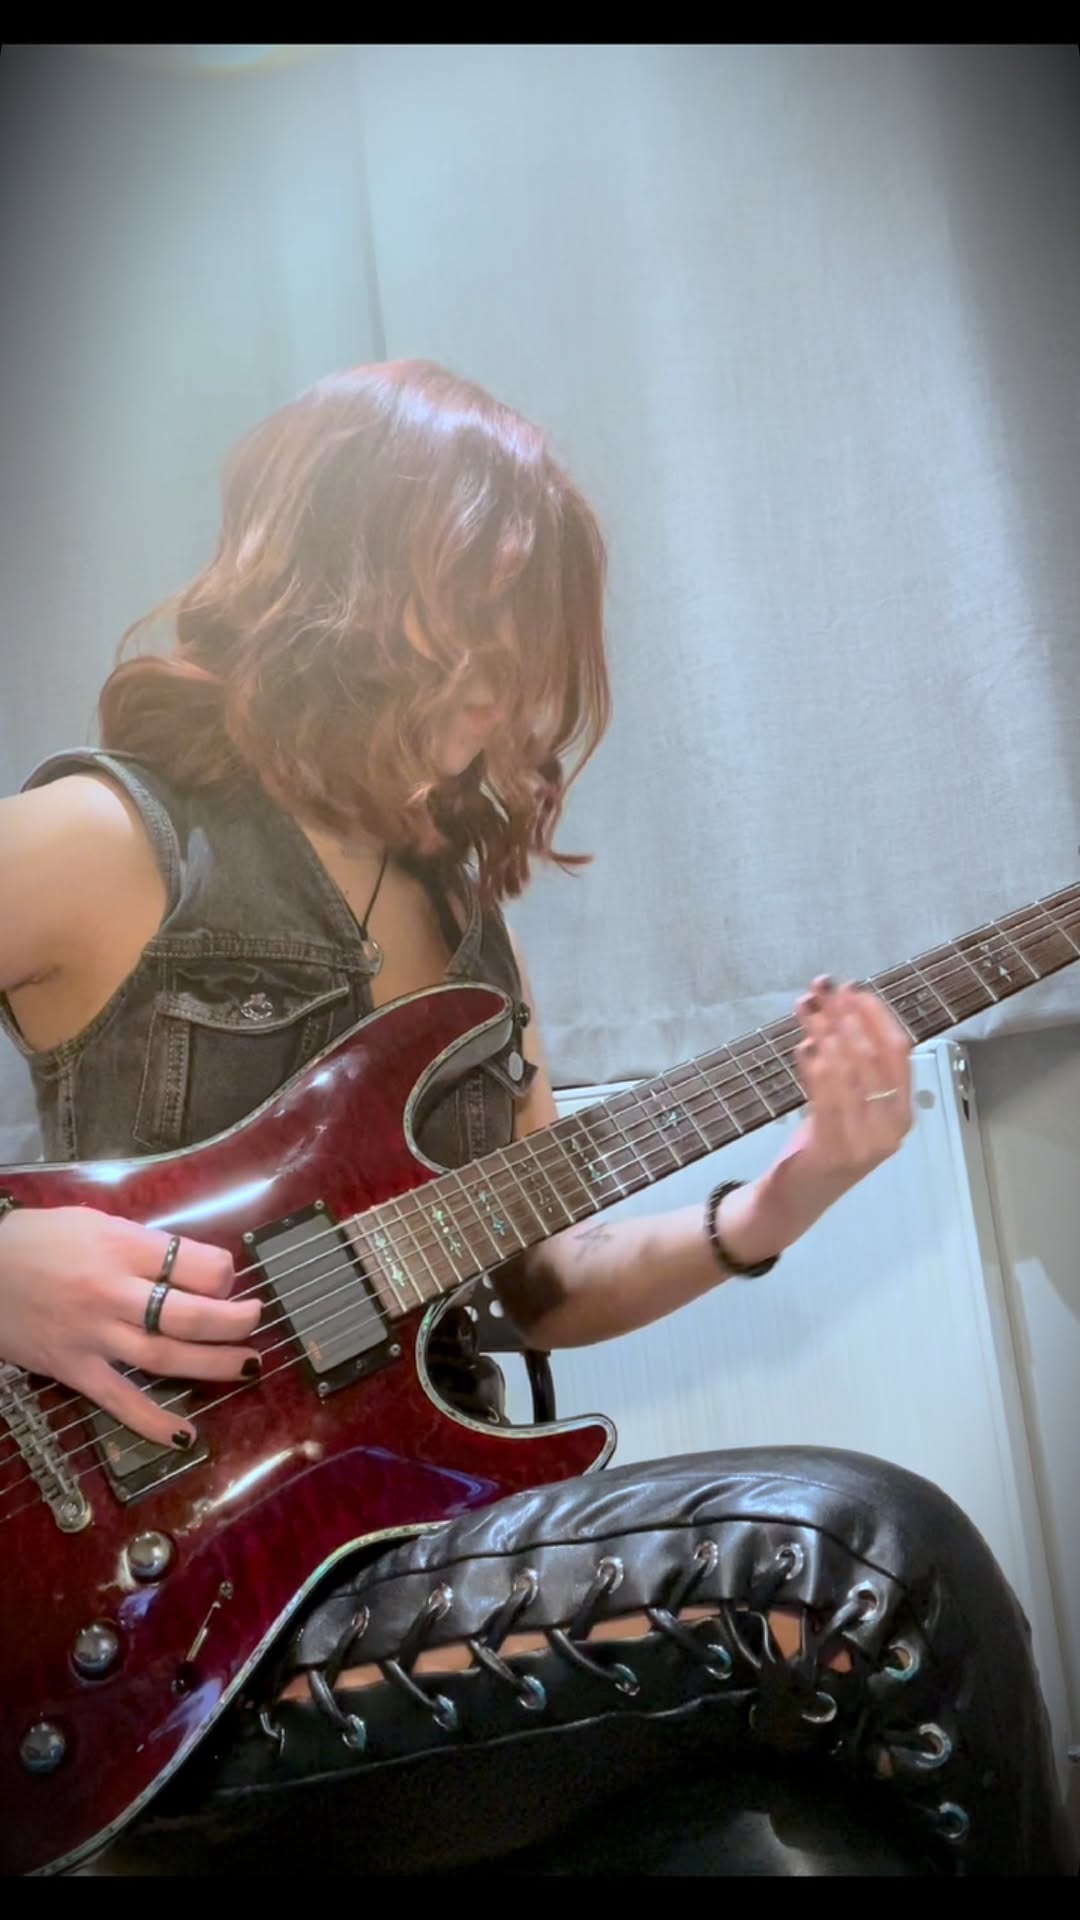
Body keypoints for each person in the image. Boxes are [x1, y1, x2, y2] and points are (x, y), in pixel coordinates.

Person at [0, 360, 912, 1449]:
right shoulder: (107, 840)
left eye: (524, 624)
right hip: (152, 1525)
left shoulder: (472, 929)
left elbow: (545, 1282)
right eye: (469, 611)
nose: (503, 673)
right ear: (323, 581)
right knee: (846, 1532)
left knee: (842, 1538)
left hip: (426, 1510)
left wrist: (784, 1198)